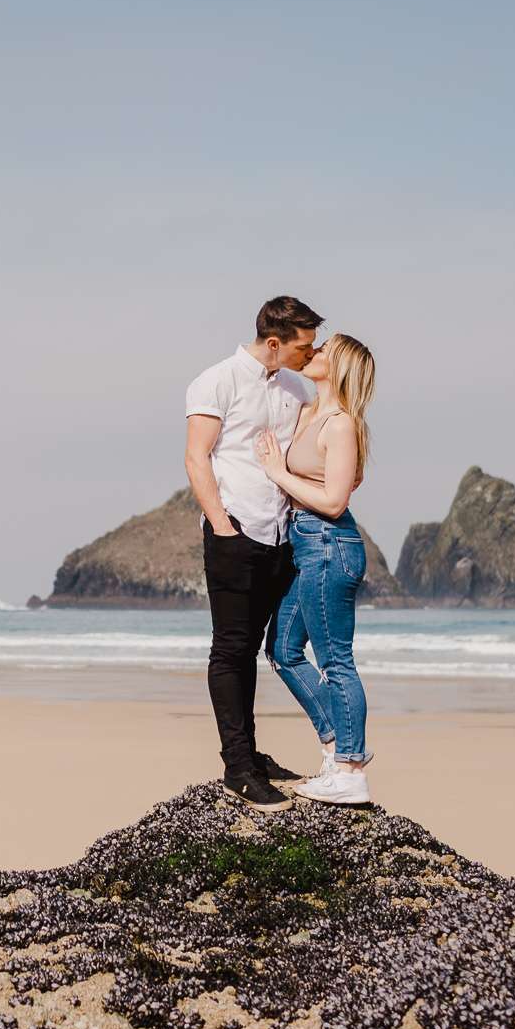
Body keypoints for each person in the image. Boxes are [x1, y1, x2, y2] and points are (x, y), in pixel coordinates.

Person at [184, 297, 322, 812]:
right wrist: (222, 525)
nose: (309, 355)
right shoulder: (215, 381)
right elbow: (196, 458)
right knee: (232, 649)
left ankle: (253, 755)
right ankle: (238, 767)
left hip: (283, 537)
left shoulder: (294, 387)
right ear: (274, 343)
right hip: (235, 532)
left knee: (263, 652)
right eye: (302, 346)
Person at [255, 333, 377, 805]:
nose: (314, 352)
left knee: (336, 660)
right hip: (306, 548)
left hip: (330, 546)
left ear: (340, 365)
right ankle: (334, 747)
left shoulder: (342, 424)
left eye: (324, 349)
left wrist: (277, 473)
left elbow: (333, 500)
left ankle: (351, 770)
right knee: (282, 649)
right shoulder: (309, 410)